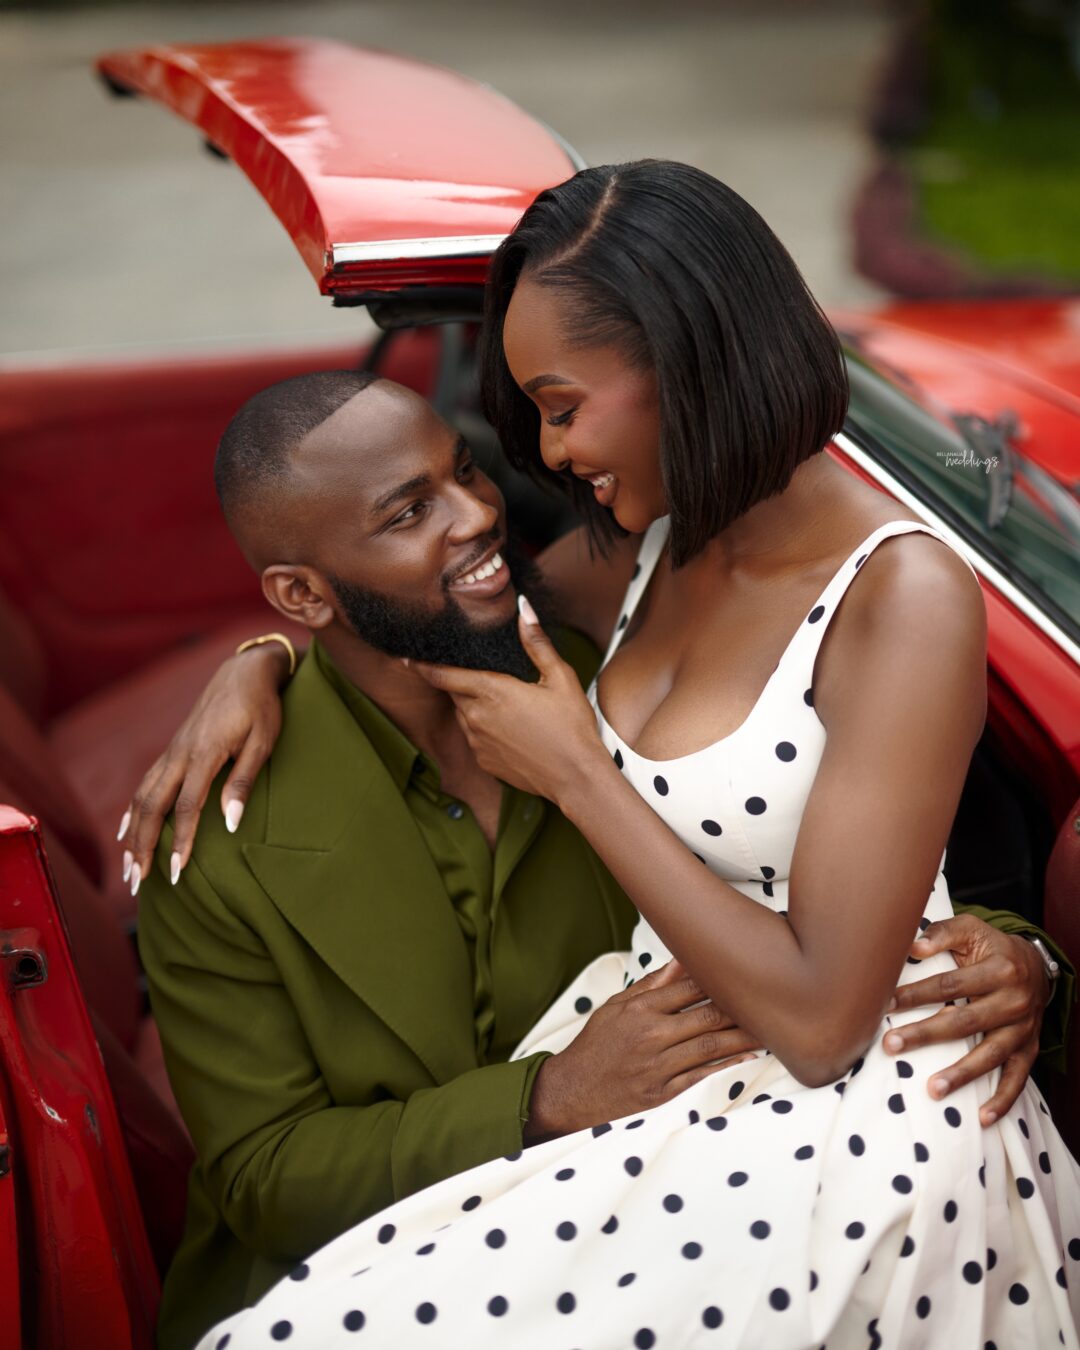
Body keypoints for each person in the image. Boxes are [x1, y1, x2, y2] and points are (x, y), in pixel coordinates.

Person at [176, 161, 1079, 1350]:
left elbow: (837, 998)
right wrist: (260, 660)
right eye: (535, 415)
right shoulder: (639, 555)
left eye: (559, 407)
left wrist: (582, 780)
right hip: (672, 1084)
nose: (538, 464)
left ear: (684, 368)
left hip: (851, 1117)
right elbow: (427, 616)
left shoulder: (899, 591)